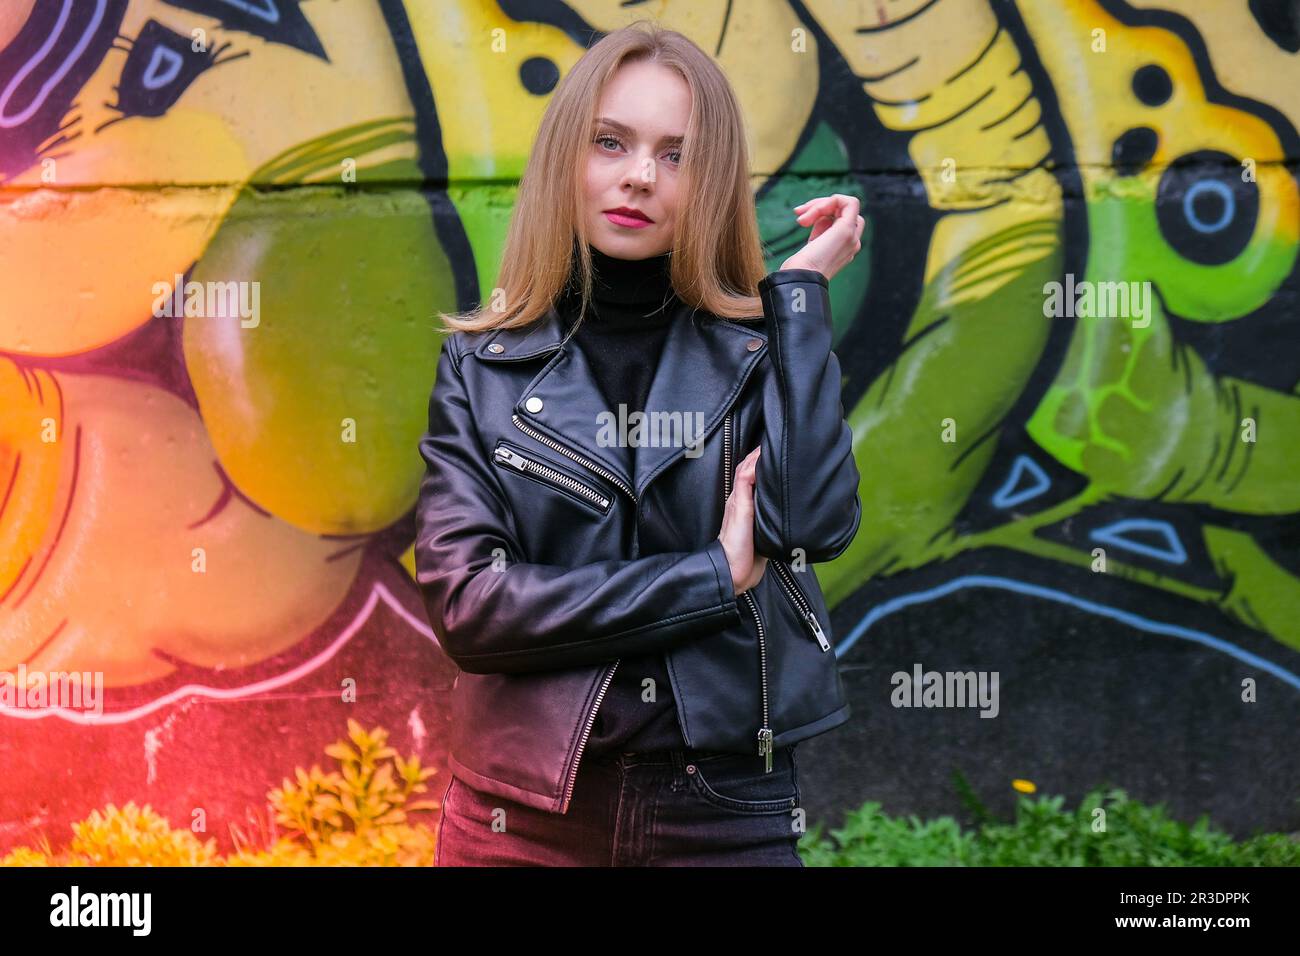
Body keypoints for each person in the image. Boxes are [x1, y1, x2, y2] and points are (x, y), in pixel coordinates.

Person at [416, 20, 864, 866]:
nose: (637, 176)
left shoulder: (760, 350)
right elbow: (472, 609)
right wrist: (712, 575)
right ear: (566, 159)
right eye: (610, 142)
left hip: (725, 810)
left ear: (711, 181)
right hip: (522, 813)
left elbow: (811, 521)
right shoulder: (483, 366)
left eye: (675, 155)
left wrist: (798, 297)